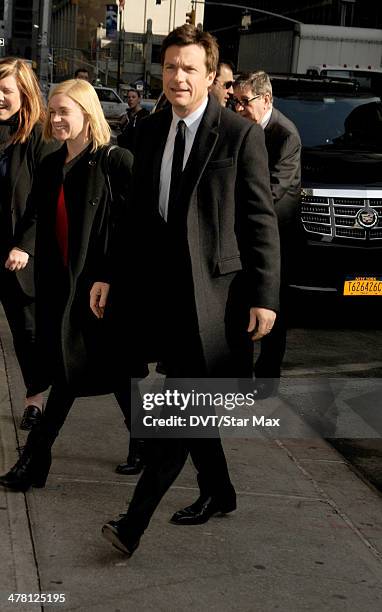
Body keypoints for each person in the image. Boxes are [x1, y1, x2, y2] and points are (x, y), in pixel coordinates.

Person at [101, 24, 280, 557]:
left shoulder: (238, 134)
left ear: (209, 76)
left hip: (215, 303)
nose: (178, 77)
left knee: (180, 415)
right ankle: (220, 491)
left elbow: (259, 220)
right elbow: (131, 218)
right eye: (171, 66)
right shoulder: (151, 130)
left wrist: (265, 296)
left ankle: (132, 526)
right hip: (161, 299)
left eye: (189, 68)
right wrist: (108, 273)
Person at [0, 78, 136, 492]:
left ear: (87, 114)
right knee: (111, 372)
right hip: (59, 286)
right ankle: (146, 441)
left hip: (99, 289)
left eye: (66, 112)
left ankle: (34, 462)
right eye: (54, 111)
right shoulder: (51, 164)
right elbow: (36, 218)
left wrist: (110, 276)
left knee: (69, 374)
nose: (57, 119)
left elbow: (133, 229)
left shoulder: (114, 162)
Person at [233, 71, 301, 395]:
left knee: (273, 307)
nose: (239, 109)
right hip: (244, 234)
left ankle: (269, 378)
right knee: (242, 305)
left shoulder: (285, 136)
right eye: (235, 102)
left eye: (245, 102)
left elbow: (273, 191)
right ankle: (242, 376)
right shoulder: (241, 130)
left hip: (276, 238)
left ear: (266, 99)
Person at [0, 57, 58, 431]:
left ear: (24, 92)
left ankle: (34, 401)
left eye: (5, 91)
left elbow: (46, 201)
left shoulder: (39, 136)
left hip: (19, 255)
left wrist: (25, 245)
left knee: (27, 331)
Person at [117, 89, 149, 153]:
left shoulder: (144, 115)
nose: (130, 99)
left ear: (139, 99)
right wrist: (121, 124)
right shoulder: (127, 114)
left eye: (133, 97)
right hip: (125, 152)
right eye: (128, 97)